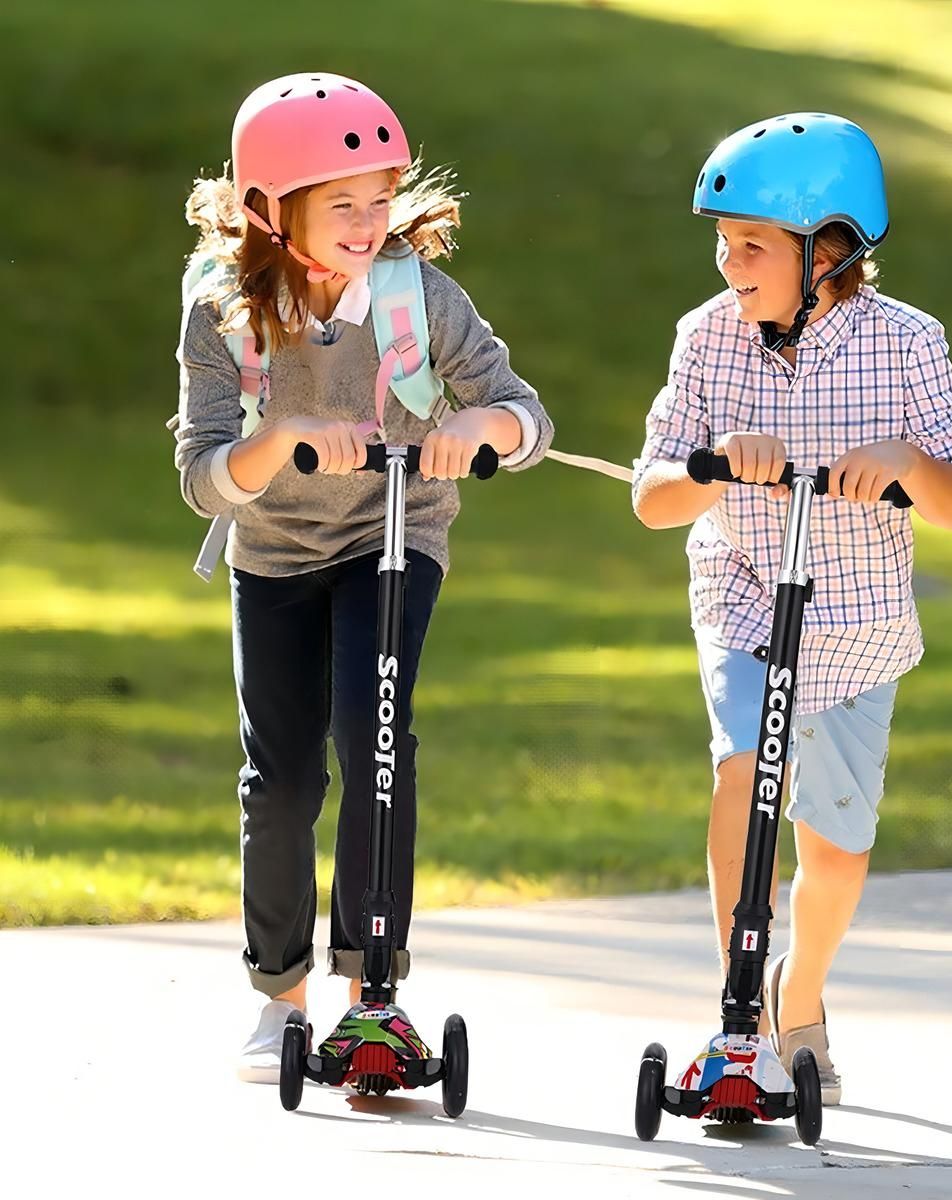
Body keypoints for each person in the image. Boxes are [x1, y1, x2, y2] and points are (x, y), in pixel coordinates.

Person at [172, 72, 553, 1081]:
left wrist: (480, 426)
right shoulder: (223, 309)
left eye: (380, 197)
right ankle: (279, 995)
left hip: (395, 534)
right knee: (285, 777)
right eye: (342, 202)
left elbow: (525, 415)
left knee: (374, 737)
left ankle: (371, 993)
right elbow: (204, 479)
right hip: (273, 551)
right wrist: (287, 438)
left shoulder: (417, 295)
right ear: (268, 208)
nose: (369, 220)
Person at [632, 113, 952, 1104]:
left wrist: (909, 465)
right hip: (746, 599)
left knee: (835, 853)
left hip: (860, 626)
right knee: (742, 770)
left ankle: (802, 993)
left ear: (829, 252)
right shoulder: (707, 339)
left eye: (752, 245)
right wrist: (711, 468)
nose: (729, 264)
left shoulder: (909, 346)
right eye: (722, 242)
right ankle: (738, 1009)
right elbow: (652, 498)